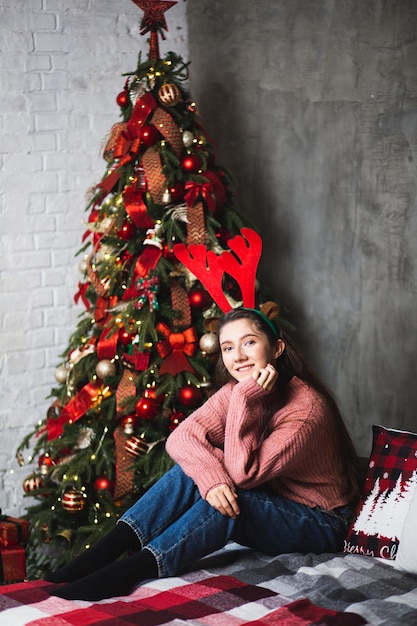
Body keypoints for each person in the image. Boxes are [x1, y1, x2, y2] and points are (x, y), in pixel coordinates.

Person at [47, 307, 361, 601]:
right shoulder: (239, 389)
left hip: (324, 521)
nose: (238, 357)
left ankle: (128, 571)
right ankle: (102, 553)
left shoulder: (305, 408)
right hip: (278, 500)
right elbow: (181, 438)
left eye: (248, 343)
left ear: (276, 348)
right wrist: (211, 480)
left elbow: (244, 475)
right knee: (194, 469)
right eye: (227, 347)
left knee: (234, 503)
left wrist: (243, 398)